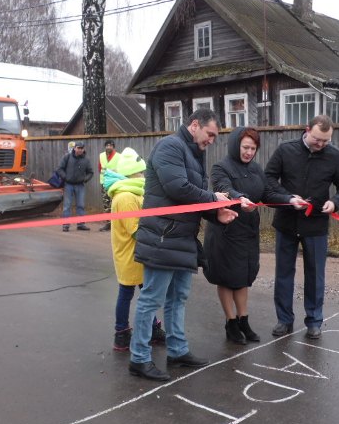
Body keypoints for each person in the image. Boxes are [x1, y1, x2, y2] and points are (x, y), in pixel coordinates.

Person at [129, 109, 238, 381]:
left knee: (177, 298)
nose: (212, 140)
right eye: (210, 134)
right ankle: (139, 359)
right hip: (162, 237)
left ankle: (177, 351)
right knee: (151, 299)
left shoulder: (194, 153)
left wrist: (216, 213)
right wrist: (214, 199)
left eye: (215, 136)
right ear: (194, 125)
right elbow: (178, 188)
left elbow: (193, 200)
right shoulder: (170, 146)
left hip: (182, 239)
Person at [203, 127, 298, 345]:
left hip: (247, 232)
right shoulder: (220, 167)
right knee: (227, 278)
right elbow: (224, 189)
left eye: (253, 148)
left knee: (243, 276)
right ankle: (231, 323)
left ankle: (244, 320)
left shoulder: (256, 169)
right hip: (226, 231)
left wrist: (290, 199)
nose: (249, 152)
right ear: (236, 145)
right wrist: (240, 199)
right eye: (245, 147)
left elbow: (268, 193)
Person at [265, 115, 339, 340]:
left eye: (326, 141)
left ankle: (314, 321)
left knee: (315, 275)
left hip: (316, 225)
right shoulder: (285, 150)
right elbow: (269, 179)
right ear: (307, 130)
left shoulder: (334, 156)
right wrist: (287, 198)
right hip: (286, 222)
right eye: (317, 139)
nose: (321, 144)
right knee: (284, 273)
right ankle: (284, 320)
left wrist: (335, 202)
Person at [102, 147, 166, 351]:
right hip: (131, 255)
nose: (143, 176)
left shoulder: (133, 192)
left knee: (145, 293)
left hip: (138, 254)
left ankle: (153, 328)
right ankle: (121, 333)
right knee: (127, 293)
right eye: (141, 172)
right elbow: (135, 230)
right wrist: (158, 237)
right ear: (133, 173)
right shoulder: (126, 197)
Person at [57, 140, 93, 232]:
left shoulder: (86, 160)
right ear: (74, 148)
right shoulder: (67, 157)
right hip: (68, 185)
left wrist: (85, 179)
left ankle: (81, 224)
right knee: (67, 206)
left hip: (80, 186)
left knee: (80, 205)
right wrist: (66, 177)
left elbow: (90, 172)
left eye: (81, 148)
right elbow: (60, 169)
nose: (80, 150)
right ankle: (66, 225)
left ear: (83, 149)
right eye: (78, 148)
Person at [98, 139, 120, 232]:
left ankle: (117, 224)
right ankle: (108, 224)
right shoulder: (101, 156)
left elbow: (121, 168)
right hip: (104, 183)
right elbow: (100, 168)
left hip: (115, 183)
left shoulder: (119, 156)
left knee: (115, 203)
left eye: (110, 145)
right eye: (107, 145)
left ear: (113, 147)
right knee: (106, 204)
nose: (108, 147)